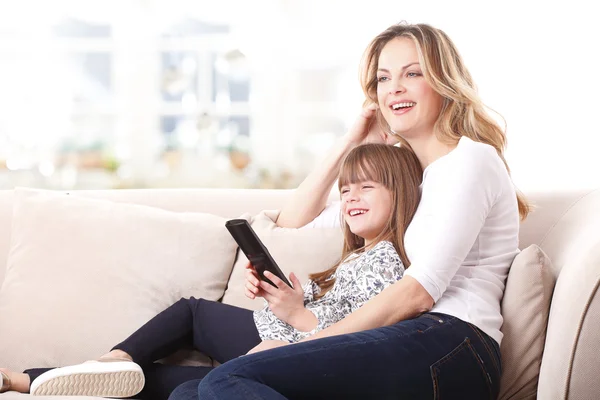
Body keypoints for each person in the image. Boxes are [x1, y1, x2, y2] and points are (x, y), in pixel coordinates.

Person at [181, 22, 529, 400]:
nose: (394, 87)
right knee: (190, 391)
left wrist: (308, 341)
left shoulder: (470, 160)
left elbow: (419, 294)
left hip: (454, 344)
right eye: (383, 79)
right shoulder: (404, 181)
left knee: (223, 381)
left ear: (444, 83)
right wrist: (351, 141)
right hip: (405, 338)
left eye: (412, 73)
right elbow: (293, 223)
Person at [0, 143, 423, 400]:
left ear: (399, 192)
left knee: (192, 320)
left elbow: (357, 341)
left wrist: (297, 313)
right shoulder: (356, 257)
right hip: (288, 333)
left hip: (294, 345)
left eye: (366, 187)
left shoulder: (386, 260)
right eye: (346, 190)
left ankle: (79, 366)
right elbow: (335, 311)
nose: (350, 198)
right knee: (158, 381)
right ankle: (41, 377)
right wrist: (285, 293)